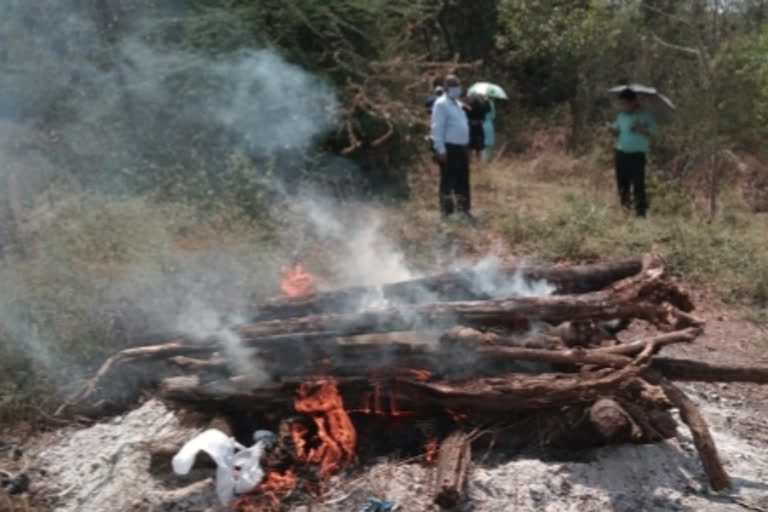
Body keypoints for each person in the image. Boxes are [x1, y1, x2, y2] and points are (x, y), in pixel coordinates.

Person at [611, 89, 658, 217]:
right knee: (622, 183)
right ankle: (625, 210)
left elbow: (654, 132)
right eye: (622, 104)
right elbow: (617, 131)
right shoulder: (621, 116)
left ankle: (640, 213)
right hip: (621, 152)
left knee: (638, 183)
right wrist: (612, 130)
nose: (623, 106)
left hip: (637, 155)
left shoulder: (645, 114)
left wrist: (640, 128)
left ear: (633, 102)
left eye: (625, 103)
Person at [431, 74, 471, 218]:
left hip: (461, 147)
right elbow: (437, 128)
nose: (457, 88)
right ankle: (447, 212)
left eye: (458, 85)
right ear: (446, 87)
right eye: (453, 85)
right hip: (449, 148)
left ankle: (464, 210)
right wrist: (440, 149)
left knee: (463, 180)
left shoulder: (458, 104)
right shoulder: (441, 104)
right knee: (448, 180)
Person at [466, 94, 490, 161]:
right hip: (478, 127)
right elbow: (488, 109)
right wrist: (486, 100)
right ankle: (478, 163)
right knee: (479, 148)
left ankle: (470, 162)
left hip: (470, 128)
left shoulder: (468, 107)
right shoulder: (481, 107)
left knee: (469, 148)